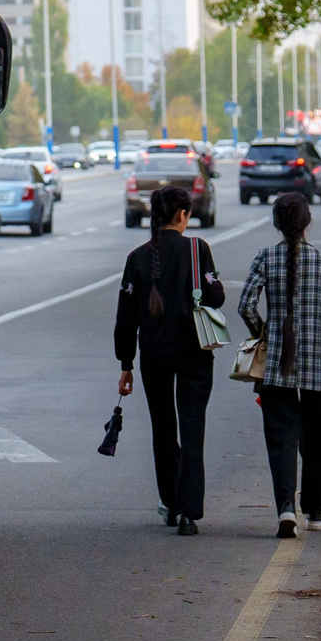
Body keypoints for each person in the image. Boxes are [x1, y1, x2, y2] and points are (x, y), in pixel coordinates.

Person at [239, 192, 321, 538]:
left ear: (277, 224)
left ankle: (285, 510)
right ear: (308, 222)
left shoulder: (265, 258)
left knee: (281, 438)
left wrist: (265, 332)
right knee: (315, 435)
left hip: (276, 366)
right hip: (317, 366)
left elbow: (246, 305)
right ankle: (316, 510)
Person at [115, 184, 226, 535]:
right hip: (195, 352)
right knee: (193, 427)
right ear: (182, 215)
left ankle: (171, 504)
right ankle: (190, 512)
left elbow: (126, 317)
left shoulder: (137, 258)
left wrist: (126, 364)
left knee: (163, 429)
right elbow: (216, 296)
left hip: (153, 355)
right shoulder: (198, 249)